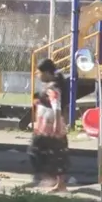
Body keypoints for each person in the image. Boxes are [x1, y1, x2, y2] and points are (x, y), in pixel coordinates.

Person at [28, 59, 69, 192]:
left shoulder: (52, 86)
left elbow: (56, 104)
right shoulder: (52, 84)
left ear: (46, 72)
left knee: (40, 152)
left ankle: (54, 181)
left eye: (39, 72)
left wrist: (57, 122)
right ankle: (55, 181)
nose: (37, 75)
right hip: (46, 125)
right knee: (55, 152)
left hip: (50, 126)